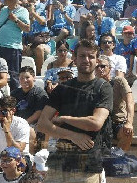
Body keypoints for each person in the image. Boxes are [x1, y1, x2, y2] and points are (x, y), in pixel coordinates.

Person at [36, 39, 112, 182]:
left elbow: (95, 123)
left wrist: (64, 119)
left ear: (97, 60)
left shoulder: (103, 88)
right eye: (82, 56)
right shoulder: (62, 88)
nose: (87, 60)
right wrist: (72, 135)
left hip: (88, 165)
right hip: (59, 163)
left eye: (91, 56)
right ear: (75, 59)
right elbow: (42, 124)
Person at [94, 55, 134, 151]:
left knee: (127, 133)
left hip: (117, 121)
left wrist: (129, 122)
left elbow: (130, 101)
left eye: (103, 66)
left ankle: (118, 158)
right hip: (100, 122)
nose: (100, 69)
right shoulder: (93, 85)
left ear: (110, 68)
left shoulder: (119, 81)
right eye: (97, 67)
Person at [0, 0, 30, 91]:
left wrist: (15, 20)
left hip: (13, 48)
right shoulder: (3, 10)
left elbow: (27, 29)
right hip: (0, 46)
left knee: (14, 77)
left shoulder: (23, 11)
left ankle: (15, 100)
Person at [0, 95, 31, 161]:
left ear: (13, 110)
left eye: (4, 112)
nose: (0, 115)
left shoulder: (22, 124)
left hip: (18, 159)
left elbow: (18, 149)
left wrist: (7, 130)